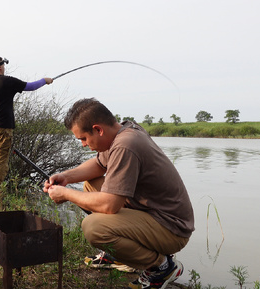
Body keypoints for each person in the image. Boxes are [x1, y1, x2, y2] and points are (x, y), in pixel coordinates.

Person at [43, 98, 194, 289]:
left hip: (171, 229)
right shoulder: (123, 131)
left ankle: (162, 267)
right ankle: (122, 253)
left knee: (94, 227)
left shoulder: (125, 145)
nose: (82, 144)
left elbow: (109, 205)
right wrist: (65, 177)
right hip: (150, 213)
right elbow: (99, 164)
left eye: (83, 138)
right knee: (92, 186)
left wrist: (65, 193)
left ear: (98, 129)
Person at [0, 55, 53, 189]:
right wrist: (45, 80)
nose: (4, 68)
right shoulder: (7, 81)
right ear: (0, 66)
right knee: (0, 161)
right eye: (3, 65)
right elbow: (31, 86)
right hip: (2, 129)